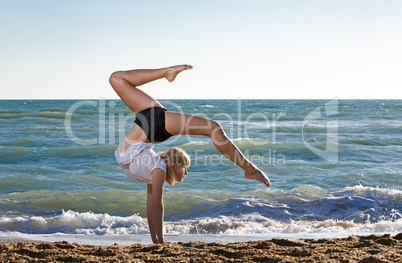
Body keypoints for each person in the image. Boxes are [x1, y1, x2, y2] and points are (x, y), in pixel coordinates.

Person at [109, 65, 271, 244]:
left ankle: (166, 73)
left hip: (147, 130)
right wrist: (159, 242)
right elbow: (155, 207)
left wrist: (159, 242)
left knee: (116, 79)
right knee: (213, 128)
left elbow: (153, 207)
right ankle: (250, 169)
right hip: (149, 128)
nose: (186, 172)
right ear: (174, 164)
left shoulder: (157, 168)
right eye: (184, 167)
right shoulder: (158, 168)